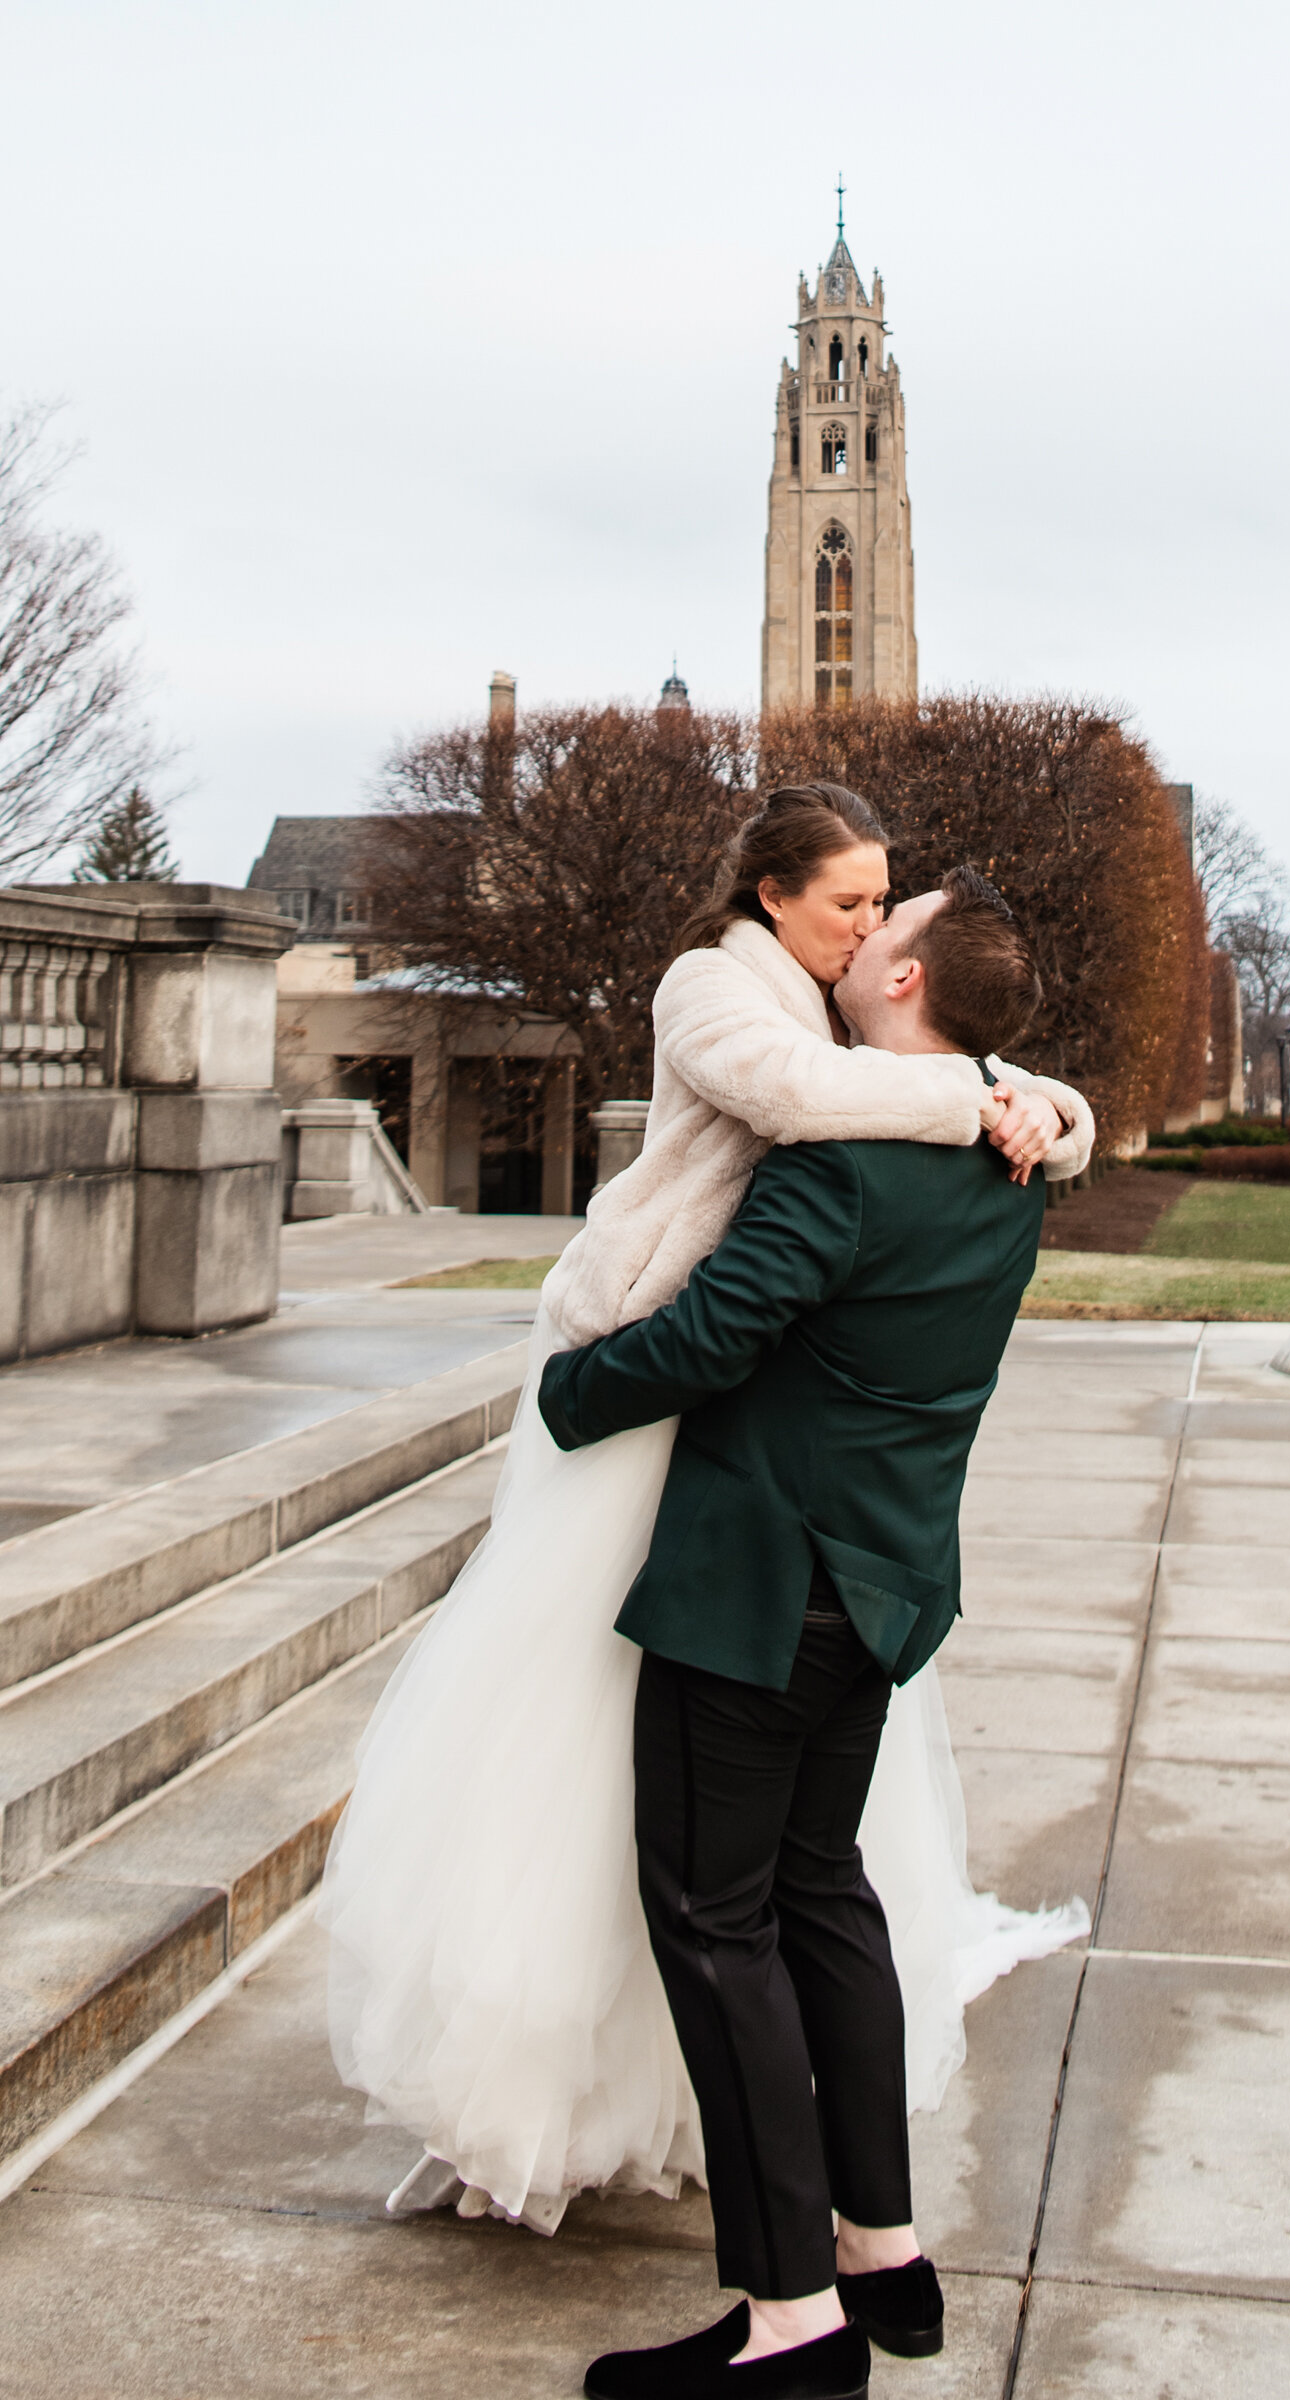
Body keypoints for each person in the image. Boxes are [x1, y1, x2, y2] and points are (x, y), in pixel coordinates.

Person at [318, 784, 1093, 2241]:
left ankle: (770, 2240)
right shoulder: (716, 989)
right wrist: (993, 1098)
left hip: (742, 1465)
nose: (866, 921)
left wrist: (1043, 1101)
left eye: (884, 907)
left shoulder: (852, 1064)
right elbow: (809, 1099)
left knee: (726, 1875)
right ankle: (825, 2226)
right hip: (748, 1453)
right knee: (672, 1810)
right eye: (851, 898)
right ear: (774, 892)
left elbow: (860, 1143)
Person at [542, 868, 1052, 2400]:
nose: (857, 938)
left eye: (881, 930)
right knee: (822, 1896)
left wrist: (564, 1395)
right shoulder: (1015, 1155)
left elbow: (713, 1335)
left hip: (763, 1590)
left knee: (716, 1922)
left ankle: (787, 2321)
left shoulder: (841, 1167)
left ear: (903, 986)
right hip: (885, 1589)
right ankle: (881, 2250)